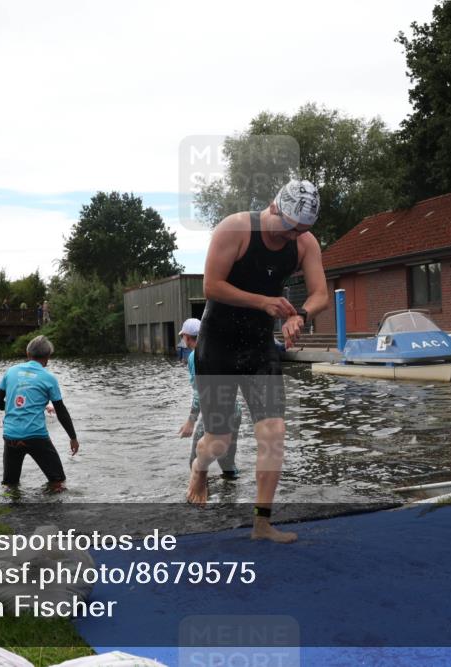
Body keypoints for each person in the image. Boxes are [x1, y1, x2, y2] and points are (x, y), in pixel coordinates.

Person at [189, 179, 328, 543]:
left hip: (258, 345)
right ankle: (200, 468)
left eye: (300, 231)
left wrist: (300, 315)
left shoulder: (304, 242)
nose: (291, 237)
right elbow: (212, 286)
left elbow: (319, 294)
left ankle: (261, 523)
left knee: (274, 433)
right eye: (289, 228)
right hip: (217, 342)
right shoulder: (235, 229)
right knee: (218, 441)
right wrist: (263, 302)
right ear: (273, 206)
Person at [0, 335, 80, 491]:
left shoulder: (11, 372)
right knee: (58, 481)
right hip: (36, 437)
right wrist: (73, 438)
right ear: (48, 357)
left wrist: (10, 409)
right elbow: (61, 411)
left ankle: (12, 513)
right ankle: (53, 513)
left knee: (10, 484)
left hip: (11, 436)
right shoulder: (49, 378)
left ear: (27, 354)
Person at [177, 318, 239, 479]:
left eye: (183, 336)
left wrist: (191, 420)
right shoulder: (219, 350)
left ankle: (199, 497)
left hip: (214, 413)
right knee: (227, 462)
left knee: (196, 460)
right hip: (234, 410)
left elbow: (200, 392)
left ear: (187, 337)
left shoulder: (195, 357)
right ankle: (231, 496)